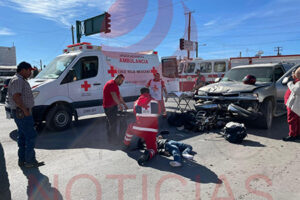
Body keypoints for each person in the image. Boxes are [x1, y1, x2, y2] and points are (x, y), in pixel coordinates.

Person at [7, 62, 44, 168]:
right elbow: (16, 97)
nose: (30, 72)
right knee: (31, 136)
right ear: (23, 70)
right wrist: (25, 111)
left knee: (23, 136)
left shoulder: (20, 79)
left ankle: (22, 160)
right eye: (29, 70)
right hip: (22, 113)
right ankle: (30, 161)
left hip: (21, 112)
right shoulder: (18, 80)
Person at [123, 87, 161, 166]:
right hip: (152, 130)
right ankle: (148, 154)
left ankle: (126, 144)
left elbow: (135, 113)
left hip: (139, 129)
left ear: (141, 93)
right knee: (153, 149)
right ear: (149, 92)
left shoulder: (136, 102)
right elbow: (159, 112)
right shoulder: (155, 101)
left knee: (130, 128)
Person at [103, 74, 128, 143]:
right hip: (109, 107)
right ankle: (113, 140)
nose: (122, 83)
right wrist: (119, 105)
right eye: (121, 81)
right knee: (113, 124)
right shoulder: (111, 84)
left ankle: (111, 139)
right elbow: (114, 95)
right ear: (118, 78)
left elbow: (119, 96)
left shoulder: (115, 85)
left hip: (112, 107)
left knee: (111, 124)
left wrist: (124, 104)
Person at [283, 67, 300, 141]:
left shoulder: (298, 83)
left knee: (292, 120)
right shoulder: (296, 81)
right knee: (297, 120)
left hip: (294, 106)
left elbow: (297, 90)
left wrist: (289, 83)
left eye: (294, 73)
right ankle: (297, 134)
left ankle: (292, 135)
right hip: (294, 104)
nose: (292, 75)